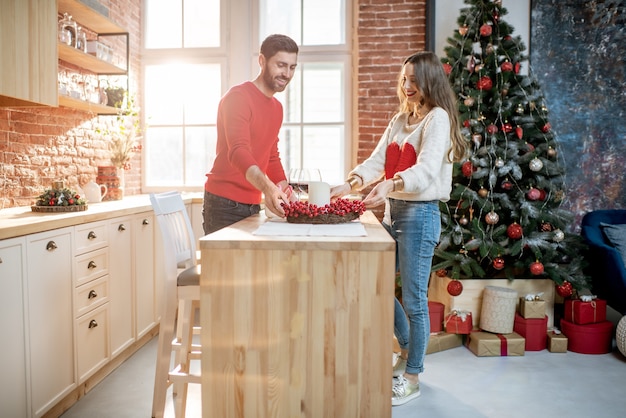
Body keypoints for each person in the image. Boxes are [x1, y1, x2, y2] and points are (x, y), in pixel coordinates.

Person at [330, 51, 468, 406]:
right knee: (372, 282)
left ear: (430, 81)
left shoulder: (437, 120)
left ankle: (413, 376)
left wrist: (391, 185)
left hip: (420, 217)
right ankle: (407, 351)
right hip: (393, 216)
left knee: (415, 301)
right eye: (404, 78)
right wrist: (351, 182)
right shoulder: (400, 120)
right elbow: (378, 159)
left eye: (415, 80)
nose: (407, 86)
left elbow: (423, 172)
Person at [203, 34, 299, 234]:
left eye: (292, 67)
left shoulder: (277, 108)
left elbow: (271, 155)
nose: (287, 74)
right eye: (281, 65)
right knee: (226, 267)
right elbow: (238, 151)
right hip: (224, 204)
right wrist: (269, 188)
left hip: (253, 203)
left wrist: (284, 188)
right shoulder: (238, 97)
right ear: (262, 61)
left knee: (252, 266)